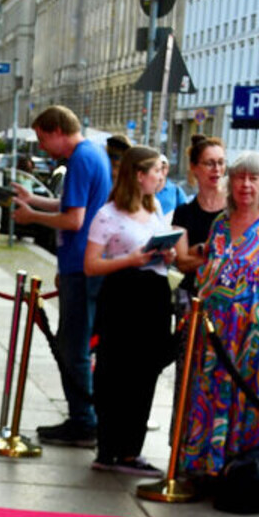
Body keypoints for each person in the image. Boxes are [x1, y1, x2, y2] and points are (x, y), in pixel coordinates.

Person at [12, 104, 111, 446]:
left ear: (57, 131)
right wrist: (35, 201)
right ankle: (83, 417)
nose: (41, 147)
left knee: (74, 348)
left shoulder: (80, 159)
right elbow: (71, 205)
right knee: (76, 345)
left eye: (42, 139)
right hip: (82, 263)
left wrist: (31, 216)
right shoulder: (91, 154)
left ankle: (84, 421)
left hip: (81, 266)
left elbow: (74, 219)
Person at [83, 146, 180, 473]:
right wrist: (131, 259)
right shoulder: (108, 214)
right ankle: (108, 448)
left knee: (145, 371)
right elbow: (91, 264)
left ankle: (131, 450)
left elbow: (160, 248)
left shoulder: (155, 209)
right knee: (114, 371)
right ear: (139, 175)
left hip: (154, 296)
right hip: (122, 295)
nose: (161, 177)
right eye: (156, 171)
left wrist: (167, 255)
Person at [180, 151, 259, 483]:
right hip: (215, 330)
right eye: (239, 177)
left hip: (258, 334)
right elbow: (209, 270)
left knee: (251, 399)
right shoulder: (220, 224)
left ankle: (245, 473)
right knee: (210, 392)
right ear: (230, 183)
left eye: (253, 178)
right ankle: (208, 465)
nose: (245, 185)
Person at [173, 135, 227, 306]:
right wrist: (219, 255)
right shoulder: (183, 212)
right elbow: (182, 262)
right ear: (194, 167)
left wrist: (200, 251)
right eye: (209, 163)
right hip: (192, 297)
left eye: (221, 162)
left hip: (228, 297)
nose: (216, 169)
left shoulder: (235, 209)